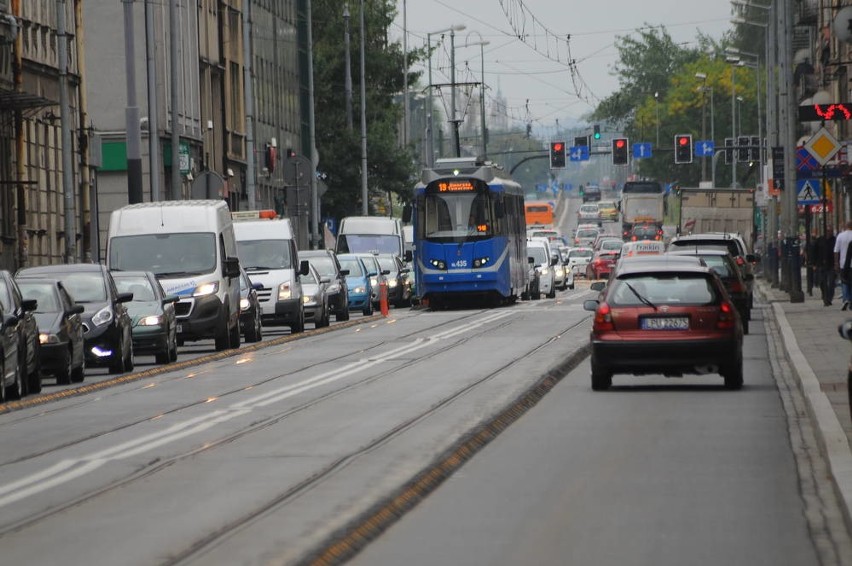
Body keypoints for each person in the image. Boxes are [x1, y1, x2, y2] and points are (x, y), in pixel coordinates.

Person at [834, 220, 852, 310]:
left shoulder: (840, 236)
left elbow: (836, 251)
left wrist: (836, 263)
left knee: (844, 282)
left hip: (843, 263)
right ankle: (850, 300)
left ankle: (845, 299)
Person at [816, 227, 836, 306]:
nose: (829, 232)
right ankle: (824, 295)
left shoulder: (834, 240)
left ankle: (829, 298)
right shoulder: (820, 240)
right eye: (828, 231)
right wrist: (814, 263)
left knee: (831, 283)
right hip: (821, 264)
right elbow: (815, 251)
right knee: (822, 282)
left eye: (830, 231)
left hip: (831, 264)